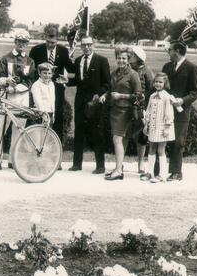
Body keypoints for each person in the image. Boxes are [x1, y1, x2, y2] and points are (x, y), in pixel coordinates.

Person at [59, 36, 110, 173]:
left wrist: (99, 95)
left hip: (95, 103)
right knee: (79, 132)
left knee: (97, 133)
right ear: (81, 46)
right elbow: (77, 80)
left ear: (94, 45)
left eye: (89, 45)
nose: (86, 47)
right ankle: (77, 164)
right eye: (84, 45)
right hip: (80, 102)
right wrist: (66, 81)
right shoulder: (78, 60)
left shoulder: (102, 61)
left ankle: (100, 166)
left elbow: (106, 83)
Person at [0, 29, 36, 170]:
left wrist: (16, 88)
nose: (22, 44)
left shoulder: (30, 61)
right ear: (15, 42)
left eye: (24, 42)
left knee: (19, 129)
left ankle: (12, 159)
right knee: (1, 128)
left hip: (22, 98)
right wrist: (6, 80)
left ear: (27, 43)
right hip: (6, 97)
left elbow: (30, 81)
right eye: (19, 41)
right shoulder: (6, 58)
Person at [99, 45, 142, 181]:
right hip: (115, 110)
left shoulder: (133, 74)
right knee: (121, 140)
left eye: (124, 58)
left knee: (117, 139)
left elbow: (139, 96)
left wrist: (121, 96)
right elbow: (112, 88)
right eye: (119, 58)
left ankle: (118, 171)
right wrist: (105, 95)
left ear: (128, 59)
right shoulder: (115, 73)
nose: (121, 60)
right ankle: (119, 167)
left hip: (125, 111)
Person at [162, 41, 197, 181]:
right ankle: (158, 170)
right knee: (161, 139)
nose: (168, 52)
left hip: (181, 111)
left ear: (177, 51)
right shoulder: (167, 66)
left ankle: (176, 172)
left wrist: (183, 100)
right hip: (165, 109)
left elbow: (196, 91)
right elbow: (160, 85)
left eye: (170, 50)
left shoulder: (192, 68)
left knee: (178, 142)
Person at [29, 27, 74, 141]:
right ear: (45, 38)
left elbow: (70, 68)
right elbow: (31, 70)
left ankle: (55, 143)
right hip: (40, 88)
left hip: (57, 89)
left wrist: (75, 62)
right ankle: (36, 142)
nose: (50, 45)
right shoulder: (36, 50)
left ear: (58, 40)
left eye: (53, 42)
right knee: (38, 114)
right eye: (48, 42)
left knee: (57, 115)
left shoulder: (63, 51)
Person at [141, 73, 175, 183]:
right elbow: (149, 111)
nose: (158, 84)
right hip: (153, 127)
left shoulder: (166, 97)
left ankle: (162, 174)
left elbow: (169, 113)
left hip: (162, 127)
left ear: (165, 83)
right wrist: (146, 124)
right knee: (151, 149)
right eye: (156, 81)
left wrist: (167, 127)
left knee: (161, 150)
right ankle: (150, 172)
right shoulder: (152, 96)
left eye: (160, 82)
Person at [129, 46, 154, 174]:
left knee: (141, 136)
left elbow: (151, 89)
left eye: (132, 55)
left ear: (138, 58)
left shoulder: (147, 71)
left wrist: (145, 101)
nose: (129, 56)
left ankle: (140, 163)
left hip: (141, 108)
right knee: (125, 134)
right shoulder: (128, 69)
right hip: (128, 105)